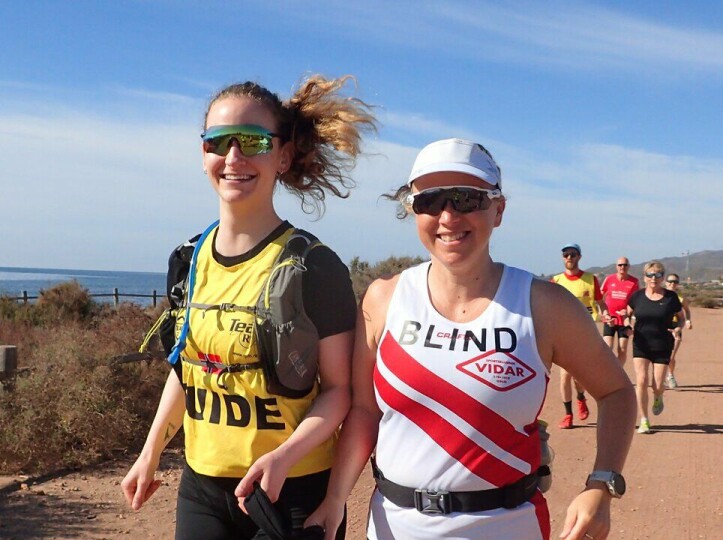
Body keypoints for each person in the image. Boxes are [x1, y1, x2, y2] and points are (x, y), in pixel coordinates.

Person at [306, 138, 636, 540]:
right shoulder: (384, 297)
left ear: (498, 210)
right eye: (430, 200)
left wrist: (601, 484)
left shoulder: (545, 305)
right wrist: (335, 499)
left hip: (508, 526)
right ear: (413, 211)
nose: (447, 216)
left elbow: (617, 392)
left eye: (466, 199)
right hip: (394, 526)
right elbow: (364, 411)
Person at [121, 76, 375, 539]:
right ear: (203, 157)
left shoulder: (313, 265)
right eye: (219, 142)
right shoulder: (187, 259)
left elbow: (340, 392)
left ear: (282, 156)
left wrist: (285, 455)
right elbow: (188, 368)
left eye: (253, 141)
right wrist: (150, 451)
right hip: (203, 488)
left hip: (292, 488)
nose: (234, 157)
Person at [626, 261, 683, 434]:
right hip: (641, 343)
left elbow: (680, 317)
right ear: (644, 277)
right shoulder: (637, 296)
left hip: (662, 345)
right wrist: (627, 325)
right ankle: (644, 420)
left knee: (657, 384)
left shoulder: (670, 298)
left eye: (658, 275)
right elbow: (627, 315)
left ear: (663, 277)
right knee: (641, 380)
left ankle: (658, 396)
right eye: (650, 275)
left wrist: (679, 327)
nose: (654, 278)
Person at [551, 243, 603, 429]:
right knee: (564, 375)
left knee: (578, 377)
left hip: (584, 333)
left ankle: (581, 397)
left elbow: (599, 303)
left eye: (573, 254)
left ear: (579, 257)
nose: (569, 258)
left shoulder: (590, 279)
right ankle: (568, 414)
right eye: (566, 255)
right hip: (562, 334)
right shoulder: (556, 281)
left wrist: (606, 315)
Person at [599, 257, 640, 367]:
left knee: (622, 349)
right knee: (607, 347)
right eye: (620, 265)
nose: (622, 267)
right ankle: (607, 372)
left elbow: (637, 301)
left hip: (624, 320)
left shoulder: (634, 282)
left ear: (629, 266)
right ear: (616, 266)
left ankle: (618, 372)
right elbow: (599, 297)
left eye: (625, 265)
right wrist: (603, 313)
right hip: (610, 318)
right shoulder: (609, 279)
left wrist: (629, 313)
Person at [663, 273, 692, 389]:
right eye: (670, 281)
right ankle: (661, 376)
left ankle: (670, 375)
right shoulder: (661, 295)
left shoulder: (680, 297)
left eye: (675, 282)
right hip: (662, 327)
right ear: (666, 282)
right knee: (661, 355)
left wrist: (688, 321)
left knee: (671, 355)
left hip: (676, 326)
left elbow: (687, 311)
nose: (672, 284)